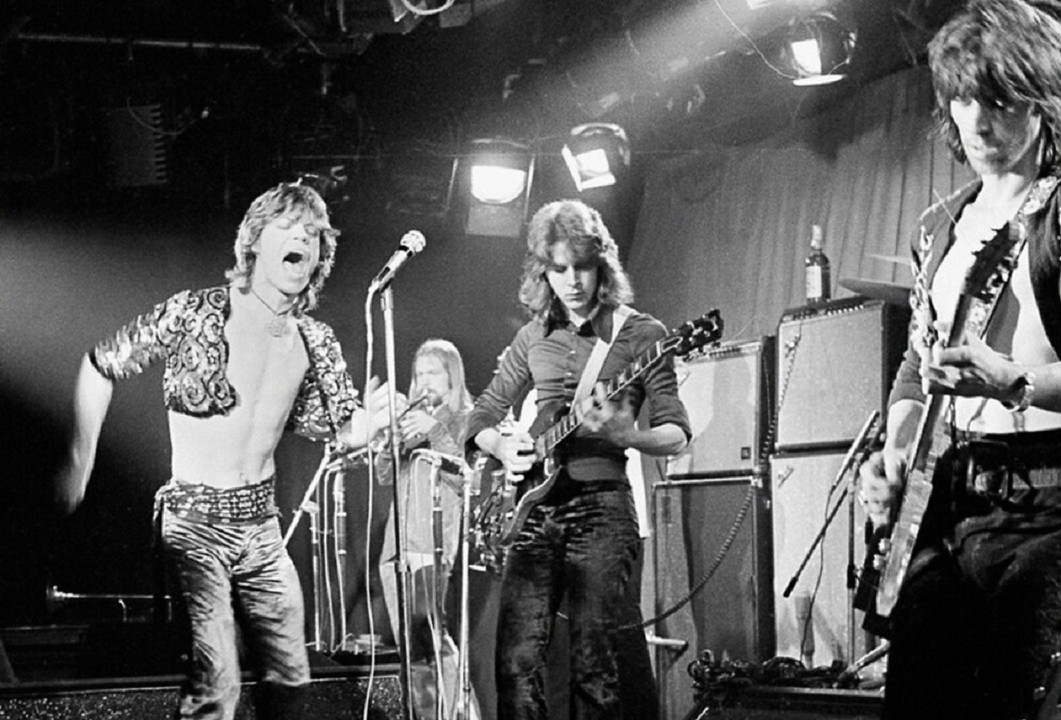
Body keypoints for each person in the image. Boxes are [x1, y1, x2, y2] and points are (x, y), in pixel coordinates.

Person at [856, 2, 1061, 718]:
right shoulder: (938, 227)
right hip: (950, 499)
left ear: (1044, 101)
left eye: (1000, 102)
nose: (979, 123)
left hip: (1054, 503)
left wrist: (1013, 380)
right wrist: (895, 455)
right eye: (964, 101)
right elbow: (916, 372)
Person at [56, 181, 395, 720]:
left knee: (292, 674)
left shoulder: (315, 340)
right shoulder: (194, 313)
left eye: (312, 236)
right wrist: (82, 457)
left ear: (320, 258)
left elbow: (339, 429)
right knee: (218, 679)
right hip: (194, 520)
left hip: (261, 529)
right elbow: (100, 364)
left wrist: (372, 424)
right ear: (254, 242)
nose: (302, 241)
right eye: (289, 229)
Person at [462, 199, 690, 720]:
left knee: (595, 668)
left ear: (601, 265)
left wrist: (628, 433)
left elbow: (677, 434)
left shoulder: (642, 334)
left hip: (601, 510)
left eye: (582, 267)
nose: (572, 281)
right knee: (515, 664)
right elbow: (482, 412)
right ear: (542, 272)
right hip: (533, 513)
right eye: (559, 269)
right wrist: (500, 445)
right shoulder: (532, 336)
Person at [376, 338, 472, 652]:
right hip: (397, 546)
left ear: (452, 377)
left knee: (432, 640)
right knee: (409, 647)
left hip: (432, 546)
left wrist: (434, 429)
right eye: (419, 374)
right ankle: (419, 689)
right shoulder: (411, 420)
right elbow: (384, 477)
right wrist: (389, 442)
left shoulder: (465, 419)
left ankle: (452, 687)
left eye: (433, 373)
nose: (424, 381)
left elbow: (463, 477)